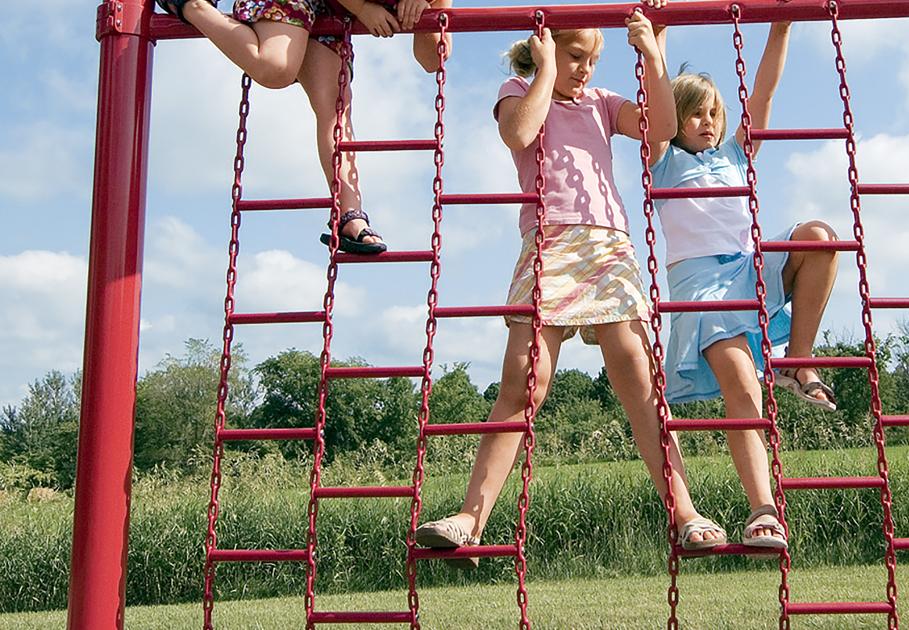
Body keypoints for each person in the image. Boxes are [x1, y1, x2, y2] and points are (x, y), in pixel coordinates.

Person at [415, 7, 731, 567]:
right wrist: (542, 72)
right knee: (524, 382)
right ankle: (471, 517)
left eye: (593, 59)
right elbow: (519, 132)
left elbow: (661, 128)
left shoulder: (604, 103)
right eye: (574, 56)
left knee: (637, 375)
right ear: (545, 49)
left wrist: (653, 54)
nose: (584, 69)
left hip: (607, 244)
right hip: (549, 242)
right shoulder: (518, 89)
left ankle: (684, 511)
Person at [646, 21, 839, 548]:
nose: (707, 122)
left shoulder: (735, 154)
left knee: (820, 238)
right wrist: (655, 37)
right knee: (743, 386)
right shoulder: (662, 162)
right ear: (675, 118)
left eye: (714, 113)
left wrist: (781, 26)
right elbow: (652, 95)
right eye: (695, 113)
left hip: (749, 268)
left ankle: (798, 361)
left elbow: (766, 88)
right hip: (701, 288)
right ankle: (763, 511)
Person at [153, 0, 453, 253]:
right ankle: (191, 5)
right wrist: (363, 8)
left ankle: (350, 217)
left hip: (331, 13)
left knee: (337, 106)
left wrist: (426, 12)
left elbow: (430, 60)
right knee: (275, 67)